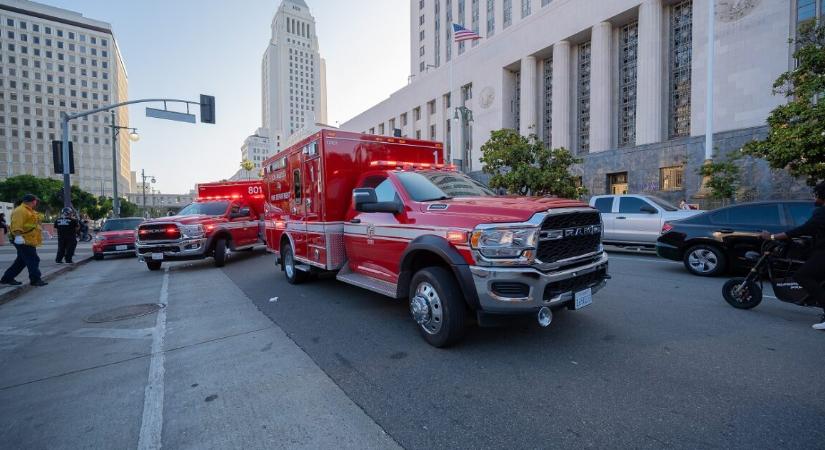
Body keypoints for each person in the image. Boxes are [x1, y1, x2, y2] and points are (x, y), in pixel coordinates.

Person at [761, 181, 825, 330]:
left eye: (816, 194)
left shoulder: (822, 213)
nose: (814, 198)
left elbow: (805, 229)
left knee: (802, 276)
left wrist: (772, 237)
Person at [1, 194, 47, 287]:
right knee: (33, 259)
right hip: (23, 239)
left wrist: (42, 231)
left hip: (28, 239)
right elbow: (17, 224)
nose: (36, 203)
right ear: (33, 201)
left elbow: (32, 224)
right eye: (36, 201)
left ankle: (7, 278)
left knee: (21, 261)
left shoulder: (29, 210)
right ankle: (35, 280)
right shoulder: (20, 210)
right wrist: (18, 236)